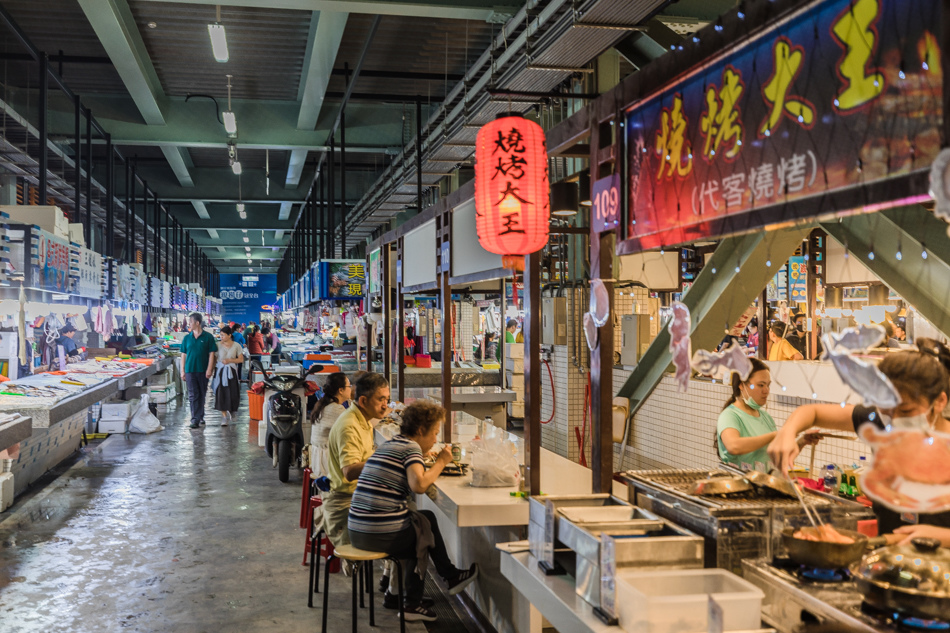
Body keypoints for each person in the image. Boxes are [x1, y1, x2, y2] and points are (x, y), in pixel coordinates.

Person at [768, 339, 950, 545]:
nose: (895, 420)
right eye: (885, 409)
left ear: (939, 401)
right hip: (890, 564)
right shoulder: (879, 425)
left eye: (906, 411)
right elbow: (812, 412)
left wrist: (942, 537)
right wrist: (788, 431)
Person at [349, 400, 479, 621]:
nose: (436, 439)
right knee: (422, 533)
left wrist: (424, 459)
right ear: (420, 431)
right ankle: (414, 603)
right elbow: (418, 485)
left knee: (424, 518)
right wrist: (441, 461)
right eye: (435, 433)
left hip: (358, 530)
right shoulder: (411, 448)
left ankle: (401, 593)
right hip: (377, 533)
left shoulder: (393, 444)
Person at [324, 372, 391, 548]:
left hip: (359, 497)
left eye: (387, 400)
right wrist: (386, 459)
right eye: (381, 400)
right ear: (363, 401)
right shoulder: (349, 425)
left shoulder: (363, 420)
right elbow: (349, 471)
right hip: (346, 504)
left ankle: (390, 572)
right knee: (407, 527)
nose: (386, 406)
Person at [716, 358, 818, 469]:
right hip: (740, 484)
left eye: (768, 385)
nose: (766, 390)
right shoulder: (730, 416)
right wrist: (774, 435)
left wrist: (802, 441)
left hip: (764, 484)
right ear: (741, 385)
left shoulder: (765, 417)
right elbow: (734, 446)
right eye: (760, 385)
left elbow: (779, 458)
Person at [309, 372, 352, 478]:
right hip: (325, 463)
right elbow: (354, 427)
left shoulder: (323, 403)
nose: (351, 389)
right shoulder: (336, 409)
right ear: (341, 390)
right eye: (349, 386)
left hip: (317, 458)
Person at [181, 312, 217, 429]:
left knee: (202, 394)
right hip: (190, 370)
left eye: (190, 322)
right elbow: (183, 355)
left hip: (203, 370)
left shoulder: (208, 337)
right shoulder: (187, 338)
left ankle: (200, 416)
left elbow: (212, 354)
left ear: (197, 323)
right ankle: (194, 419)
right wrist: (182, 370)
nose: (189, 324)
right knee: (193, 395)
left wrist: (209, 369)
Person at [212, 325, 243, 426]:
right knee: (221, 393)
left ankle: (232, 411)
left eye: (223, 335)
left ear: (229, 335)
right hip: (220, 371)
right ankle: (224, 416)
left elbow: (241, 359)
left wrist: (230, 360)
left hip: (231, 372)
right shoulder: (217, 345)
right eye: (220, 335)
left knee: (233, 393)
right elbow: (214, 359)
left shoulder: (236, 345)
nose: (221, 337)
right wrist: (212, 370)